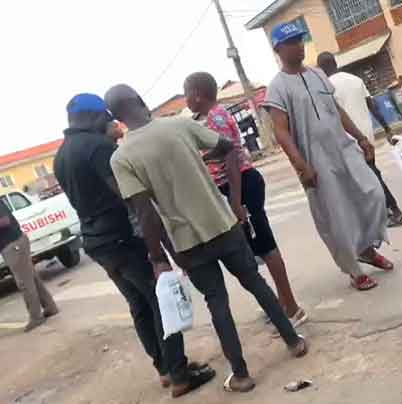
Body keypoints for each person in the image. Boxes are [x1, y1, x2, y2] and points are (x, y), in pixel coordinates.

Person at [104, 85, 308, 393]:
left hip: (187, 243)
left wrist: (158, 258)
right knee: (255, 282)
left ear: (115, 117)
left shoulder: (122, 158)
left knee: (217, 303)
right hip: (223, 224)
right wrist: (204, 165)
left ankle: (241, 375)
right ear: (141, 102)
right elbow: (227, 147)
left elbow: (144, 213)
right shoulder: (181, 125)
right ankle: (293, 342)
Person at [54, 94, 214, 398]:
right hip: (122, 238)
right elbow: (130, 196)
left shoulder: (61, 156)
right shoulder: (98, 148)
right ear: (91, 116)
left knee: (138, 306)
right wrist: (161, 246)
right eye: (104, 116)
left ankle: (165, 369)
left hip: (97, 244)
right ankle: (180, 375)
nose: (109, 121)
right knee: (158, 303)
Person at [264, 22, 395, 291]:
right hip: (315, 160)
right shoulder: (277, 87)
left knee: (372, 194)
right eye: (292, 42)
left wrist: (360, 137)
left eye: (300, 40)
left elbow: (336, 110)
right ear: (278, 49)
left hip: (343, 149)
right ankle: (354, 270)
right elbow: (281, 132)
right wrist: (302, 166)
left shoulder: (318, 75)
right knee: (336, 216)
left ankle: (366, 249)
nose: (299, 46)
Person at [183, 71, 307, 328]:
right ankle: (282, 305)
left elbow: (230, 159)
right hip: (236, 186)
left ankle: (292, 309)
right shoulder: (210, 117)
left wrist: (236, 202)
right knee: (256, 248)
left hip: (241, 185)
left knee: (265, 246)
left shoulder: (215, 118)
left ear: (197, 94)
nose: (185, 100)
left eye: (186, 94)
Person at [317, 52, 402, 228]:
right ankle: (382, 214)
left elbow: (332, 116)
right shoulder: (355, 80)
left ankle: (396, 212)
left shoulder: (327, 86)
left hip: (349, 140)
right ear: (335, 62)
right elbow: (373, 106)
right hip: (366, 136)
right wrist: (387, 129)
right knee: (370, 176)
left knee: (370, 178)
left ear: (321, 69)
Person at [0, 200, 58, 332]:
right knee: (32, 278)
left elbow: (4, 221)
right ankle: (50, 307)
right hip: (13, 244)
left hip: (13, 245)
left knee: (24, 283)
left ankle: (36, 317)